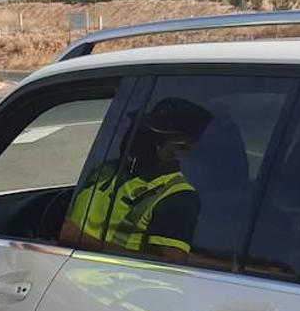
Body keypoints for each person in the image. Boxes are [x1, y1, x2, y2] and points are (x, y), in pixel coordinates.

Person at [61, 97, 211, 262]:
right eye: (136, 130)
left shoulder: (177, 196)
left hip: (113, 281)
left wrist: (84, 241)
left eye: (146, 135)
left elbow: (170, 267)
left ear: (180, 148)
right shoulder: (107, 170)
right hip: (64, 266)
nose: (134, 137)